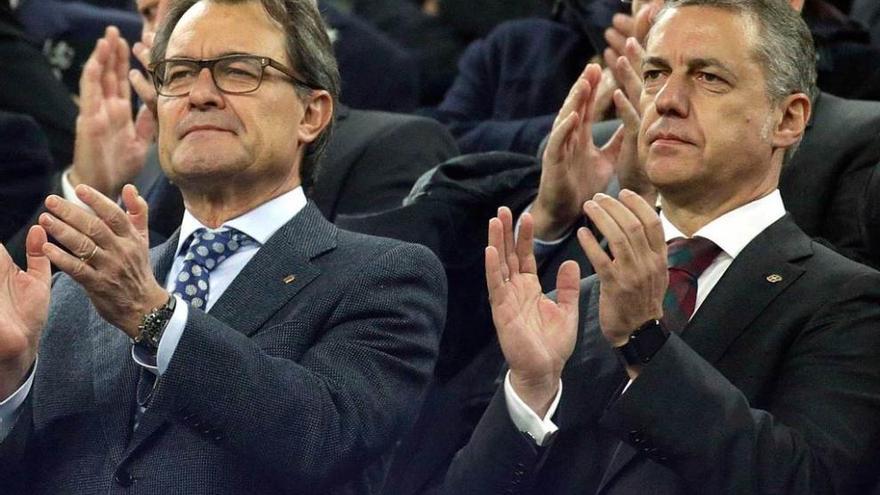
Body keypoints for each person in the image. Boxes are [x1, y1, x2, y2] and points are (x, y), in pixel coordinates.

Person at [0, 1, 446, 493]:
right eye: (179, 73)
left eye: (238, 71)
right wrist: (9, 384)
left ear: (312, 113)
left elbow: (325, 438)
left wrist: (154, 317)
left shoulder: (384, 275)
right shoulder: (75, 295)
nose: (200, 95)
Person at [442, 0, 880, 493]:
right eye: (653, 74)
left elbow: (805, 482)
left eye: (709, 76)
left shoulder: (847, 302)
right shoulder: (581, 296)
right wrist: (531, 393)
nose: (667, 100)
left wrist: (646, 344)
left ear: (788, 118)